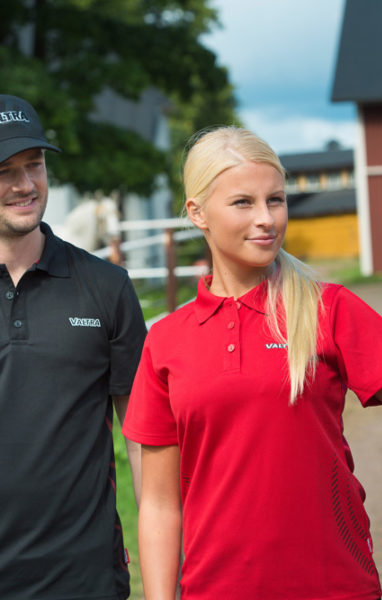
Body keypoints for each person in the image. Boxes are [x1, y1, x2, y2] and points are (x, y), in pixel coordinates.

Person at [122, 126, 382, 600]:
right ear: (197, 213)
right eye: (243, 202)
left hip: (333, 584)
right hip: (214, 589)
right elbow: (161, 506)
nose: (267, 218)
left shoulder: (328, 309)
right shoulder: (165, 341)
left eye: (277, 200)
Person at [0, 94, 147, 599]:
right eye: (5, 170)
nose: (24, 185)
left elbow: (143, 436)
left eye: (33, 165)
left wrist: (162, 558)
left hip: (83, 576)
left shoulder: (107, 287)